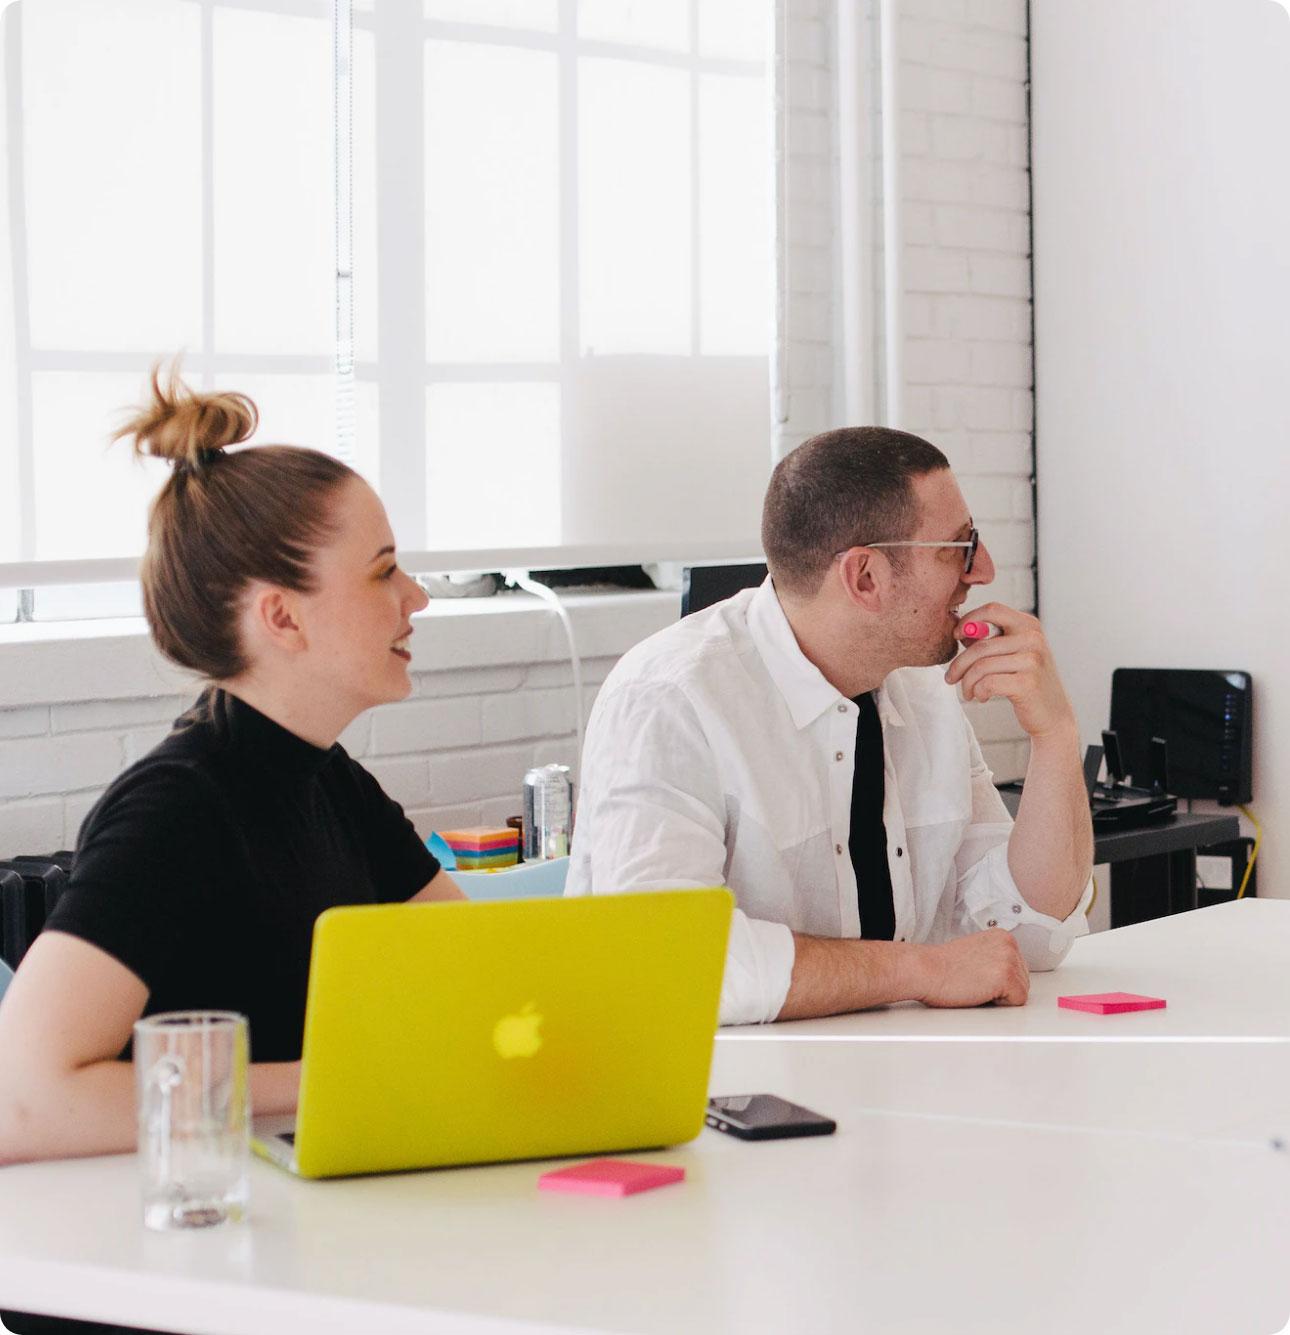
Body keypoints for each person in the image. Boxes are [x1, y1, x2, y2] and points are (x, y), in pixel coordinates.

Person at [0, 365, 464, 1170]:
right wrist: (325, 1079)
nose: (415, 596)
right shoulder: (175, 807)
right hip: (187, 1249)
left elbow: (480, 963)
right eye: (383, 569)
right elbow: (23, 1099)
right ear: (281, 615)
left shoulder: (330, 780)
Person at [567, 427, 1093, 1026]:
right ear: (866, 577)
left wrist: (1055, 735)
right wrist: (919, 969)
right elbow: (668, 961)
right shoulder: (668, 698)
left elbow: (1029, 936)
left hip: (887, 1074)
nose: (985, 570)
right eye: (959, 546)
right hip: (709, 1097)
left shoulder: (923, 688)